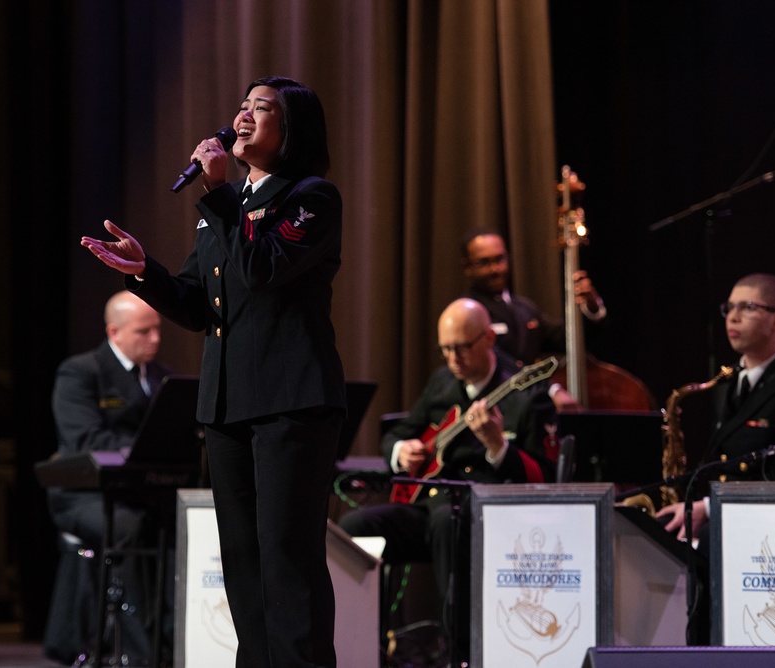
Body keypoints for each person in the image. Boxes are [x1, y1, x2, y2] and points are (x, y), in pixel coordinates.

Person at [81, 75, 345, 668]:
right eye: (242, 106)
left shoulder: (310, 197)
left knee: (287, 555)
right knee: (243, 560)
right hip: (227, 406)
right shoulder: (225, 207)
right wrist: (144, 271)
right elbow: (200, 304)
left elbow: (262, 269)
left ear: (291, 127)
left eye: (262, 109)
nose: (242, 118)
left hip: (290, 402)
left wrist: (223, 194)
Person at [337, 298, 557, 663]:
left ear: (489, 338)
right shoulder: (442, 382)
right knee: (355, 526)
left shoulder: (525, 394)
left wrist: (498, 448)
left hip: (488, 519)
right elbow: (398, 434)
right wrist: (401, 451)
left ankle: (459, 653)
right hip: (429, 509)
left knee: (446, 521)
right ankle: (364, 645)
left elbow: (544, 477)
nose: (453, 359)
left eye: (462, 348)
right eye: (446, 350)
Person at [659, 273, 775, 541]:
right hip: (722, 516)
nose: (732, 317)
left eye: (748, 307)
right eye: (729, 308)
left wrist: (708, 508)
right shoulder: (726, 381)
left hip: (770, 527)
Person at [44, 290, 170, 665]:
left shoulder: (164, 378)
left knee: (177, 523)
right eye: (143, 332)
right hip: (83, 496)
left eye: (157, 329)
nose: (155, 339)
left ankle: (173, 634)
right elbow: (86, 440)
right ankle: (138, 648)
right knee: (130, 527)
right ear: (114, 332)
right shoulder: (80, 373)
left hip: (142, 492)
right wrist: (147, 449)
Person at [461, 231, 605, 411]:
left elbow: (566, 340)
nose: (495, 269)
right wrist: (550, 389)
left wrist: (590, 308)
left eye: (500, 259)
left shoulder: (524, 308)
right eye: (484, 262)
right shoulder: (465, 314)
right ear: (467, 267)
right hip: (496, 411)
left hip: (532, 410)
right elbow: (498, 363)